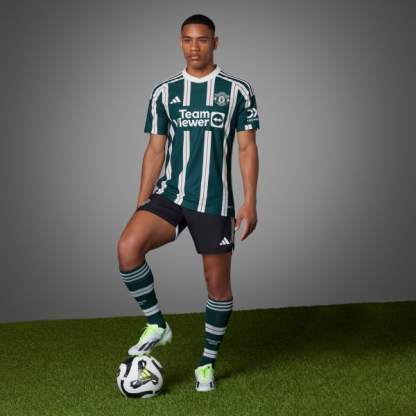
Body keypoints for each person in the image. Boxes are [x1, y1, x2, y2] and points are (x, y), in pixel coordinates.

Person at [117, 13, 260, 392]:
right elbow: (155, 149)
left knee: (217, 287)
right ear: (180, 42)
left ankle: (206, 363)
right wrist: (142, 200)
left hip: (214, 201)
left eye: (202, 39)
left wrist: (250, 202)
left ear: (215, 42)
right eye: (187, 39)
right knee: (128, 247)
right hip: (171, 195)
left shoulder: (237, 91)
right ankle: (156, 323)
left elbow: (247, 148)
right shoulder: (164, 92)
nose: (194, 47)